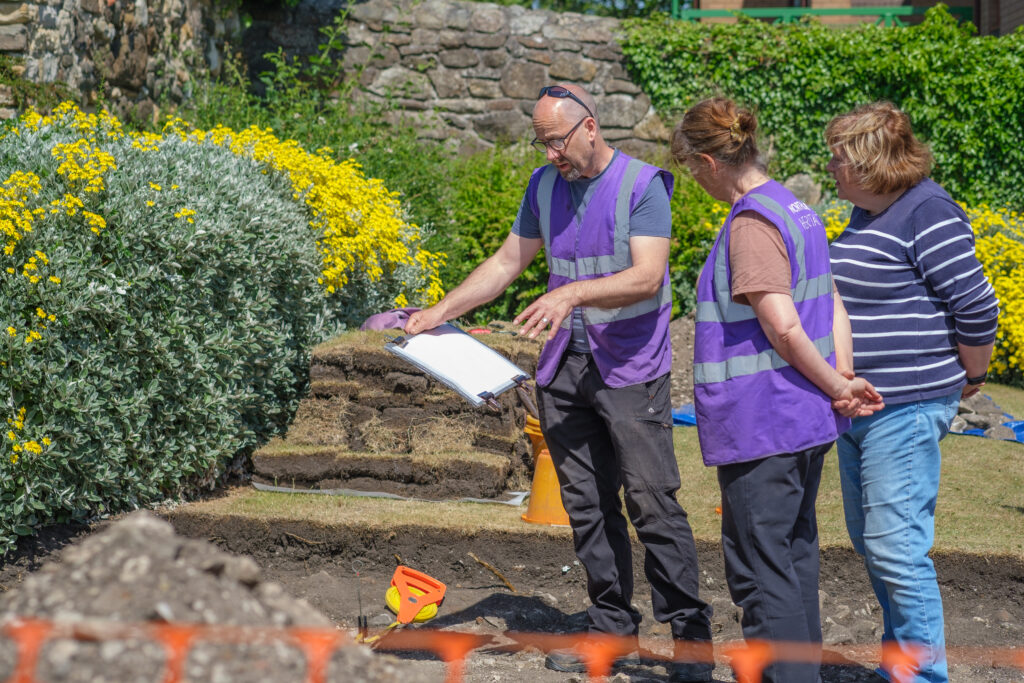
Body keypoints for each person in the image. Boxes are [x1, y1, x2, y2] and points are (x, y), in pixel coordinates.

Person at [405, 84, 715, 681]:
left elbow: (648, 276)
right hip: (564, 368)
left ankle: (691, 642)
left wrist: (570, 293)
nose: (551, 154)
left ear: (590, 127)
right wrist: (439, 313)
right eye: (541, 143)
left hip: (630, 368)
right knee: (588, 507)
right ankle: (611, 629)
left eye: (557, 141)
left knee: (652, 505)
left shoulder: (642, 186)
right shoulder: (544, 186)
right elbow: (505, 263)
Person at [670, 97, 883, 683]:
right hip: (801, 417)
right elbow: (832, 301)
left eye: (693, 170)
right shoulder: (797, 207)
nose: (697, 182)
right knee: (792, 558)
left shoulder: (751, 223)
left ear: (710, 161)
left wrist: (839, 382)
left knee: (762, 572)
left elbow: (784, 325)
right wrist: (840, 381)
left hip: (762, 424)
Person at [825, 102, 999, 683]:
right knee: (877, 545)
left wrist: (973, 376)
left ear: (873, 163)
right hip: (862, 405)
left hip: (908, 403)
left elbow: (975, 305)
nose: (831, 167)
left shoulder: (928, 210)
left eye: (840, 157)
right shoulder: (867, 211)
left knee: (896, 550)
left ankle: (923, 677)